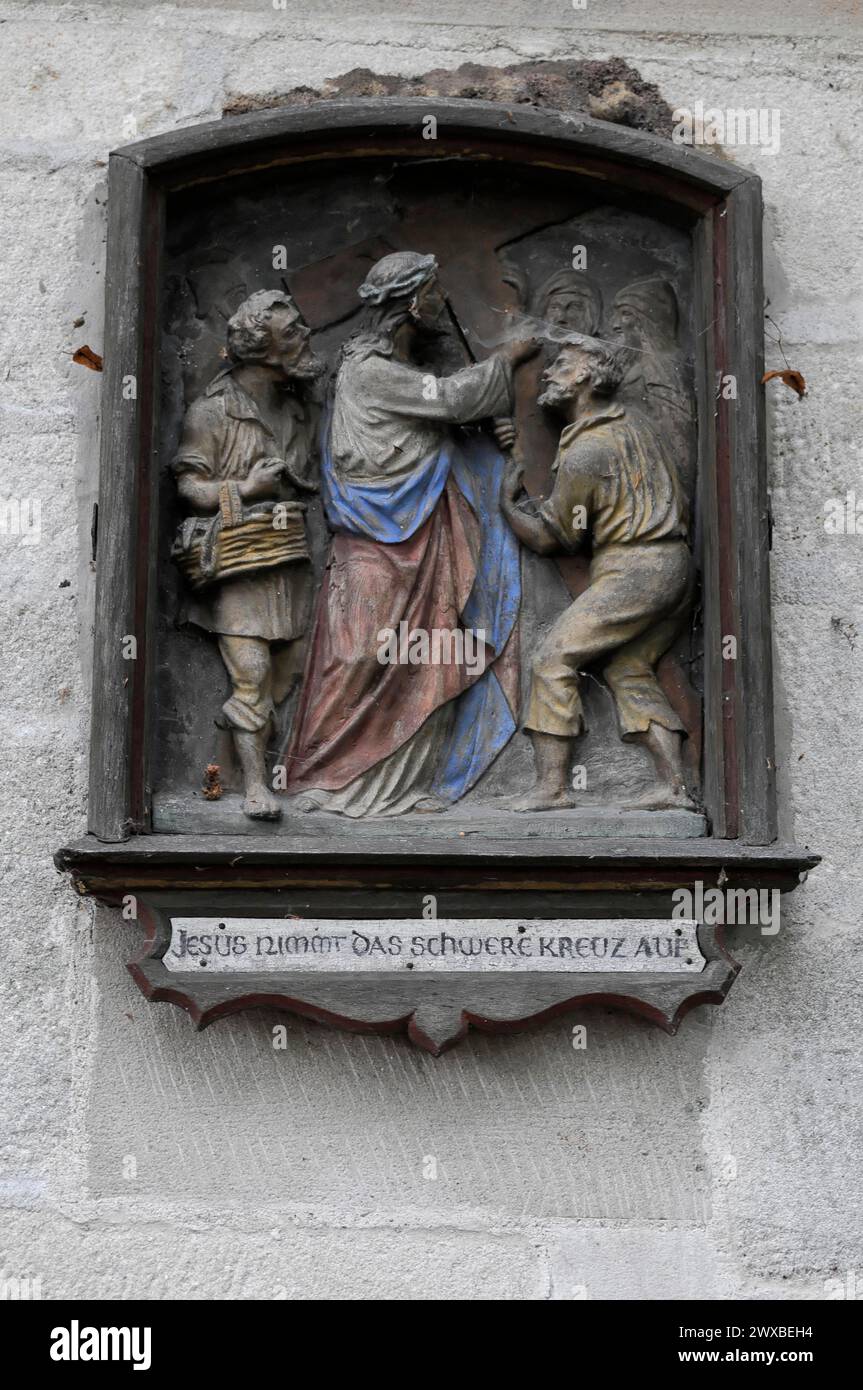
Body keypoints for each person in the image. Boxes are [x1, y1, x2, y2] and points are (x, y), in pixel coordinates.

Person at [283, 251, 535, 817]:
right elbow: (445, 400)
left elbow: (435, 418)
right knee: (358, 655)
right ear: (413, 303)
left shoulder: (385, 368)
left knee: (428, 650)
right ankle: (323, 777)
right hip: (376, 537)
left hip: (424, 535)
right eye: (436, 291)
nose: (444, 300)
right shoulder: (370, 370)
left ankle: (405, 783)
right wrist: (508, 358)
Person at [501, 333, 696, 813]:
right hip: (673, 566)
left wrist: (506, 504)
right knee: (627, 666)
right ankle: (674, 787)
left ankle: (552, 789)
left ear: (586, 375)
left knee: (552, 659)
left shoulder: (588, 449)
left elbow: (553, 538)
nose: (548, 373)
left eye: (561, 365)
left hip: (633, 569)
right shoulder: (634, 424)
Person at [172, 289, 323, 820]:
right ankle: (256, 786)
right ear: (260, 347)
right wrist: (247, 488)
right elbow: (190, 488)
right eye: (292, 333)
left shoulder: (298, 410)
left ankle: (229, 760)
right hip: (237, 565)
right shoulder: (212, 411)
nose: (306, 337)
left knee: (291, 672)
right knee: (251, 673)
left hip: (288, 561)